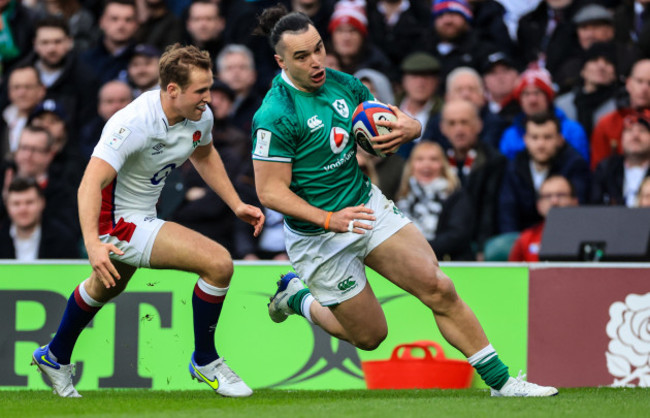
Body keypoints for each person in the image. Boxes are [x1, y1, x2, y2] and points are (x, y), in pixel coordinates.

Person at [252, 4, 558, 397]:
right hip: (319, 236)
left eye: (319, 49)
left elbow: (398, 119)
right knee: (370, 336)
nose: (316, 62)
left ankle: (502, 382)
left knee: (438, 287)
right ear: (280, 61)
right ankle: (298, 298)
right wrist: (331, 220)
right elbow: (269, 192)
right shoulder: (275, 114)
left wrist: (410, 128)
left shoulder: (343, 84)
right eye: (302, 56)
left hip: (365, 207)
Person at [30, 44, 264, 398]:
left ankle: (55, 355)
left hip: (145, 212)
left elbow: (204, 152)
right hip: (117, 222)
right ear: (172, 90)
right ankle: (205, 360)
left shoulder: (200, 114)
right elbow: (89, 184)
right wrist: (94, 244)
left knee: (106, 286)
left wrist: (235, 204)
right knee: (218, 264)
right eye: (201, 90)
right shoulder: (132, 123)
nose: (209, 97)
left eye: (209, 87)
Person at [499, 111, 590, 234]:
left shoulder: (575, 165)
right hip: (523, 238)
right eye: (535, 137)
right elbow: (507, 212)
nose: (541, 144)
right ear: (525, 140)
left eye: (547, 137)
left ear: (560, 140)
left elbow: (579, 210)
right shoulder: (515, 166)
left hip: (564, 235)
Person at [396, 142, 475, 261]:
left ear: (443, 165)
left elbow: (456, 235)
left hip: (450, 264)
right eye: (420, 159)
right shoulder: (401, 198)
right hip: (406, 263)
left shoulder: (456, 195)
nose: (426, 165)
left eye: (433, 159)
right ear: (411, 165)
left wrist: (417, 250)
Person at [0, 176, 80, 259]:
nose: (23, 209)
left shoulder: (64, 240)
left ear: (42, 203)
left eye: (29, 202)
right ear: (7, 206)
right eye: (16, 204)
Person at [590, 59, 650, 170]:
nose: (644, 89)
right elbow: (598, 168)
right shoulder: (607, 123)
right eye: (639, 81)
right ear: (628, 83)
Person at [508, 175, 578, 262]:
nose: (554, 201)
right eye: (547, 196)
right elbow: (513, 273)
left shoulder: (587, 237)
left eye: (561, 195)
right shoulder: (526, 239)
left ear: (574, 201)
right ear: (539, 205)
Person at [591, 111, 650, 207]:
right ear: (621, 138)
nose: (635, 136)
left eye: (642, 130)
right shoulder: (606, 168)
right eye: (629, 130)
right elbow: (594, 205)